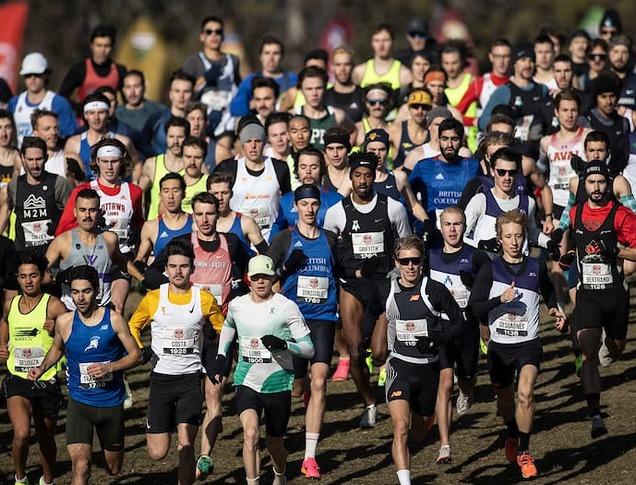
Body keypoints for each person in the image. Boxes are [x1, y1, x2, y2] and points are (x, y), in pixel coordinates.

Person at [470, 210, 566, 479]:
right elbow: (475, 308)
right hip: (499, 347)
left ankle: (524, 451)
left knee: (525, 393)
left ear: (525, 238)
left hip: (528, 343)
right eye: (508, 236)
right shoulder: (490, 269)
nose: (514, 241)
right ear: (499, 238)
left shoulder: (535, 266)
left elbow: (547, 290)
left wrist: (555, 309)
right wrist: (499, 300)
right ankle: (512, 433)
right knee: (504, 403)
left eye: (519, 236)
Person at [27, 265, 141, 485]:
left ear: (96, 291)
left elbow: (136, 355)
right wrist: (42, 368)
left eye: (86, 291)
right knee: (80, 466)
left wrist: (110, 367)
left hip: (110, 403)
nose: (80, 297)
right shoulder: (64, 322)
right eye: (76, 292)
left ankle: (114, 451)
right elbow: (57, 349)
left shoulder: (114, 320)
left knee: (114, 467)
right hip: (79, 403)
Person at [209, 255, 314, 485]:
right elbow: (228, 328)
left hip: (278, 382)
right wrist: (220, 355)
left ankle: (280, 473)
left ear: (273, 278)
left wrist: (285, 345)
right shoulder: (238, 306)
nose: (260, 282)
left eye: (265, 277)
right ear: (248, 279)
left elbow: (309, 349)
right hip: (247, 381)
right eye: (256, 277)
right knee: (250, 434)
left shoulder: (286, 307)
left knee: (275, 445)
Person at [323, 152, 411, 428]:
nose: (362, 181)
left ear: (375, 177)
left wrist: (402, 277)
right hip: (352, 286)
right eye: (357, 176)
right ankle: (369, 403)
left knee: (380, 351)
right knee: (356, 350)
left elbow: (406, 244)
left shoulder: (392, 208)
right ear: (350, 178)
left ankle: (392, 378)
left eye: (367, 175)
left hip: (384, 283)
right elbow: (327, 252)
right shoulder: (337, 212)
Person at [371, 235, 465, 485]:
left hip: (429, 370)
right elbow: (371, 314)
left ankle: (408, 444)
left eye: (415, 261)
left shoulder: (433, 290)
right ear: (396, 262)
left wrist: (436, 338)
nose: (410, 266)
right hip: (399, 366)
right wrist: (368, 343)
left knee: (420, 432)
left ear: (422, 262)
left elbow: (459, 322)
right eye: (405, 261)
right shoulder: (386, 290)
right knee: (400, 428)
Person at [128, 239, 224, 485]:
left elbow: (222, 329)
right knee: (157, 453)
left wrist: (216, 357)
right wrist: (140, 351)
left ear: (192, 268)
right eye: (173, 266)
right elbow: (133, 326)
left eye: (183, 266)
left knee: (186, 444)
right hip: (161, 381)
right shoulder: (153, 298)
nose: (178, 271)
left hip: (190, 381)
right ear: (166, 269)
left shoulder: (203, 299)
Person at [268, 184, 338, 479]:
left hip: (323, 318)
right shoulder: (284, 238)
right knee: (297, 388)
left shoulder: (332, 240)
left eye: (314, 204)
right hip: (293, 323)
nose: (310, 209)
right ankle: (302, 390)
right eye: (304, 204)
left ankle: (309, 457)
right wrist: (284, 271)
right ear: (295, 207)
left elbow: (344, 274)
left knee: (319, 381)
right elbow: (265, 282)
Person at [562, 161, 636, 438]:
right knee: (587, 352)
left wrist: (616, 251)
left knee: (616, 349)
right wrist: (566, 255)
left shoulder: (621, 215)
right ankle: (595, 413)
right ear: (584, 185)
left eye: (601, 182)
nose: (596, 188)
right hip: (588, 295)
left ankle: (612, 346)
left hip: (615, 294)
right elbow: (568, 241)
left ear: (608, 184)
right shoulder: (575, 212)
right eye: (591, 182)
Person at [0, 252, 68, 485]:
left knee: (45, 437)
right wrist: (2, 344)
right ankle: (20, 478)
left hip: (45, 380)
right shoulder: (11, 304)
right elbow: (5, 321)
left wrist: (56, 328)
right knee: (20, 433)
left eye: (33, 276)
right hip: (17, 377)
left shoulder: (54, 305)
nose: (28, 281)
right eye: (23, 276)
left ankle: (47, 480)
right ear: (17, 279)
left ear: (42, 277)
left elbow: (73, 334)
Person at [55, 138, 144, 313]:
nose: (109, 167)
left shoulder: (134, 192)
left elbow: (138, 226)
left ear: (122, 161)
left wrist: (141, 256)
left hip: (121, 259)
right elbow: (63, 228)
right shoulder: (83, 191)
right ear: (97, 162)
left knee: (115, 310)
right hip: (90, 258)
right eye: (105, 162)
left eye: (114, 161)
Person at [428, 207, 484, 464]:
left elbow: (488, 287)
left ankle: (467, 390)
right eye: (448, 224)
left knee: (467, 378)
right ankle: (445, 445)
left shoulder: (475, 256)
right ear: (441, 227)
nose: (452, 229)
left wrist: (475, 286)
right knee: (444, 382)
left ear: (465, 226)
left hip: (466, 327)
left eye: (457, 224)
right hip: (441, 327)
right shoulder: (431, 257)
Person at [45, 188, 144, 309]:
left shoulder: (110, 239)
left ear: (100, 212)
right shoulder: (62, 241)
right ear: (75, 212)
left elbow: (122, 261)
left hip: (102, 308)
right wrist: (55, 278)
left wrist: (143, 280)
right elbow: (38, 272)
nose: (87, 216)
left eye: (92, 210)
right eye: (83, 210)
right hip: (72, 311)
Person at [463, 147, 553, 253]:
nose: (507, 177)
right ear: (492, 171)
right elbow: (461, 236)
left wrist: (549, 243)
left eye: (512, 172)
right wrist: (481, 244)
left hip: (519, 267)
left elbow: (533, 232)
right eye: (501, 172)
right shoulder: (480, 201)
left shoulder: (528, 203)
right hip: (486, 266)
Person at [215, 119, 291, 242]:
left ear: (264, 143)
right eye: (248, 141)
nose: (253, 146)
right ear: (242, 144)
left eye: (257, 141)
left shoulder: (279, 167)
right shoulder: (228, 168)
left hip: (270, 235)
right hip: (238, 236)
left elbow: (288, 200)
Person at [479, 44, 553, 158]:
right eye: (523, 60)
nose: (528, 65)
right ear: (514, 64)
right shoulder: (505, 90)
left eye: (531, 61)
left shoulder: (542, 89)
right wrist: (506, 118)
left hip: (539, 151)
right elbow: (483, 122)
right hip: (513, 151)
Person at [3, 136, 72, 252]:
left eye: (38, 159)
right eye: (30, 160)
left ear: (46, 158)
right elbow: (5, 213)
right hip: (24, 259)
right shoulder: (14, 186)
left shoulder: (59, 183)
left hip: (53, 255)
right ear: (22, 159)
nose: (35, 165)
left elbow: (72, 218)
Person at [408, 118, 480, 227]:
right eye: (445, 139)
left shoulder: (473, 166)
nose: (449, 144)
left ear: (461, 140)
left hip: (464, 230)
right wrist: (423, 224)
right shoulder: (423, 166)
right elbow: (407, 200)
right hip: (433, 231)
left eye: (454, 139)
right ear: (439, 140)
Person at [182, 15, 241, 136]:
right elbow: (184, 94)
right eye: (209, 32)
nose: (214, 36)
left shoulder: (233, 60)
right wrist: (204, 79)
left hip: (228, 120)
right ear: (202, 36)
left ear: (223, 36)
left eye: (218, 32)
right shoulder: (193, 62)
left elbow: (239, 88)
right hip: (202, 123)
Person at [539, 90, 590, 218]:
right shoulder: (546, 142)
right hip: (556, 203)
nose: (569, 115)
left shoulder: (587, 136)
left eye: (573, 110)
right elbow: (540, 170)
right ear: (557, 112)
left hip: (582, 202)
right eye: (565, 110)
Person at [271, 148, 342, 238]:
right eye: (303, 167)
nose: (308, 172)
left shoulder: (336, 200)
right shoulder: (286, 200)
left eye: (313, 167)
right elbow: (276, 232)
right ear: (297, 170)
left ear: (321, 169)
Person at [363, 129, 429, 224]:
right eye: (372, 150)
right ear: (365, 151)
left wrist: (428, 223)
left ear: (387, 151)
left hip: (393, 235)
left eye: (381, 150)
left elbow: (413, 205)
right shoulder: (355, 179)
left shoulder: (399, 177)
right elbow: (339, 202)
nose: (377, 154)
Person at [64, 93, 135, 180]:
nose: (96, 117)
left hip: (116, 191)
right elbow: (69, 174)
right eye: (92, 113)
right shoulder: (73, 143)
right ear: (85, 115)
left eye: (101, 112)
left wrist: (135, 187)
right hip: (86, 192)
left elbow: (137, 164)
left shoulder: (123, 141)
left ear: (108, 114)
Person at [9, 53, 76, 144]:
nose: (32, 78)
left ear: (45, 75)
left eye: (37, 74)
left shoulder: (59, 103)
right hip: (20, 156)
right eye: (28, 75)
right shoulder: (14, 102)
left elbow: (70, 137)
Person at [230, 35, 297, 117]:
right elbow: (236, 109)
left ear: (281, 57)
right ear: (260, 57)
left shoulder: (293, 79)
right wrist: (252, 105)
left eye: (275, 53)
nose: (271, 58)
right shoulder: (250, 80)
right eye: (267, 53)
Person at [59, 25, 126, 105]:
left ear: (112, 47)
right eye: (99, 46)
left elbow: (127, 101)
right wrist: (79, 108)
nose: (102, 50)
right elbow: (62, 96)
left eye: (107, 46)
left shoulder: (120, 71)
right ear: (92, 45)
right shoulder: (79, 69)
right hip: (82, 116)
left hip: (110, 117)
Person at [139, 116, 188, 220]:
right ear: (166, 137)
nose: (175, 141)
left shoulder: (194, 166)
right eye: (171, 136)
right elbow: (139, 194)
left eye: (180, 137)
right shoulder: (152, 164)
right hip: (156, 227)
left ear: (187, 138)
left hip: (185, 229)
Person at [207, 172, 268, 255]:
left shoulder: (246, 222)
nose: (220, 198)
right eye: (215, 193)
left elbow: (266, 254)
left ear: (231, 194)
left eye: (224, 193)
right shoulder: (198, 222)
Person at [136, 173, 193, 261]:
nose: (170, 196)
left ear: (184, 194)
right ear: (160, 196)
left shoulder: (195, 223)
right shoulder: (151, 227)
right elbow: (140, 259)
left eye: (175, 190)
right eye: (166, 191)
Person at [581, 73, 630, 176]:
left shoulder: (623, 123)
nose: (608, 101)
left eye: (612, 96)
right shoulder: (586, 121)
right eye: (603, 97)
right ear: (596, 98)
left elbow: (625, 157)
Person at [295, 66, 353, 151]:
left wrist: (344, 151)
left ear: (325, 88)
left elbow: (353, 131)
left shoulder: (337, 115)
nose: (314, 93)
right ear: (301, 90)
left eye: (318, 88)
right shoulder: (294, 115)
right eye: (309, 89)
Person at [456, 39, 512, 121]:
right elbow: (457, 112)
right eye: (497, 56)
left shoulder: (516, 82)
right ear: (491, 57)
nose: (501, 61)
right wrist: (474, 121)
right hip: (486, 133)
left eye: (506, 56)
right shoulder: (480, 83)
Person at [115, 70, 167, 157]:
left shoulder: (159, 110)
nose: (132, 92)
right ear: (123, 90)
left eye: (136, 86)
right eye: (128, 87)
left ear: (144, 87)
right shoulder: (116, 114)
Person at [352, 23, 412, 91]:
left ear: (393, 42)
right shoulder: (359, 72)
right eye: (377, 40)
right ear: (372, 43)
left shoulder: (404, 74)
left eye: (385, 40)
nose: (381, 45)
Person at [147, 70, 194, 154]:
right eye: (177, 91)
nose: (181, 96)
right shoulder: (156, 119)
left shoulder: (199, 122)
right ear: (170, 94)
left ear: (192, 94)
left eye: (186, 91)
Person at [388, 89, 430, 168]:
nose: (420, 111)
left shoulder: (433, 132)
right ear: (409, 108)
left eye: (424, 107)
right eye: (415, 106)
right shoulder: (395, 130)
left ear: (430, 109)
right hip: (400, 178)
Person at [324, 46, 366, 123]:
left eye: (347, 64)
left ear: (353, 66)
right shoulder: (324, 96)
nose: (342, 69)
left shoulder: (363, 95)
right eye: (338, 65)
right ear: (332, 67)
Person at [30, 110, 68, 178]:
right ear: (35, 134)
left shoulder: (66, 159)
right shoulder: (22, 161)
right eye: (47, 129)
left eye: (56, 128)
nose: (53, 132)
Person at [180, 136, 209, 211]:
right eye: (188, 157)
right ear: (182, 157)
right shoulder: (174, 184)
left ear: (204, 159)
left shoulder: (209, 184)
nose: (192, 162)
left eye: (197, 157)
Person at [323, 127, 352, 195]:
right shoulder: (320, 175)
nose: (335, 154)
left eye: (340, 148)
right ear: (325, 151)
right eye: (330, 149)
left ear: (348, 150)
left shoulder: (357, 174)